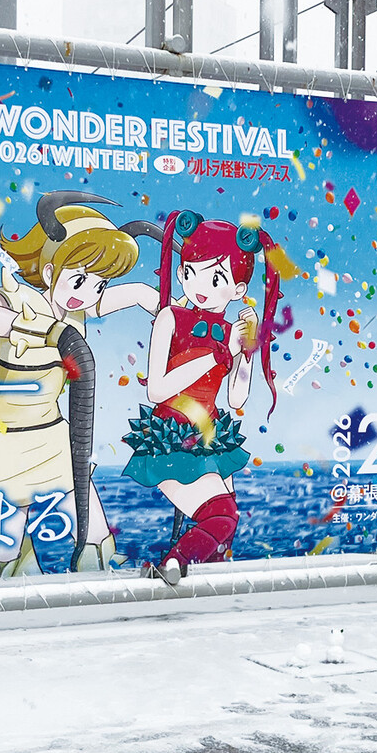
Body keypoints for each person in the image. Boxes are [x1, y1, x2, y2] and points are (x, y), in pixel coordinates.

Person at [0, 191, 158, 578]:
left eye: (98, 284)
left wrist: (179, 314)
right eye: (79, 279)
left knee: (92, 528)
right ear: (49, 273)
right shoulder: (23, 301)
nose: (88, 293)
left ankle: (100, 582)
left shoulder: (76, 309)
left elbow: (136, 293)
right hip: (6, 436)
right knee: (4, 544)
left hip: (55, 436)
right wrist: (34, 328)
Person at [122, 209, 284, 583]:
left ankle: (195, 592)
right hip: (170, 436)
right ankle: (172, 565)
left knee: (223, 539)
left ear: (238, 290)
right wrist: (219, 353)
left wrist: (245, 352)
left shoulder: (229, 330)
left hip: (210, 438)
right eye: (190, 272)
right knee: (222, 516)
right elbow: (157, 389)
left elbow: (236, 398)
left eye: (215, 278)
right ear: (181, 272)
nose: (199, 286)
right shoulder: (170, 318)